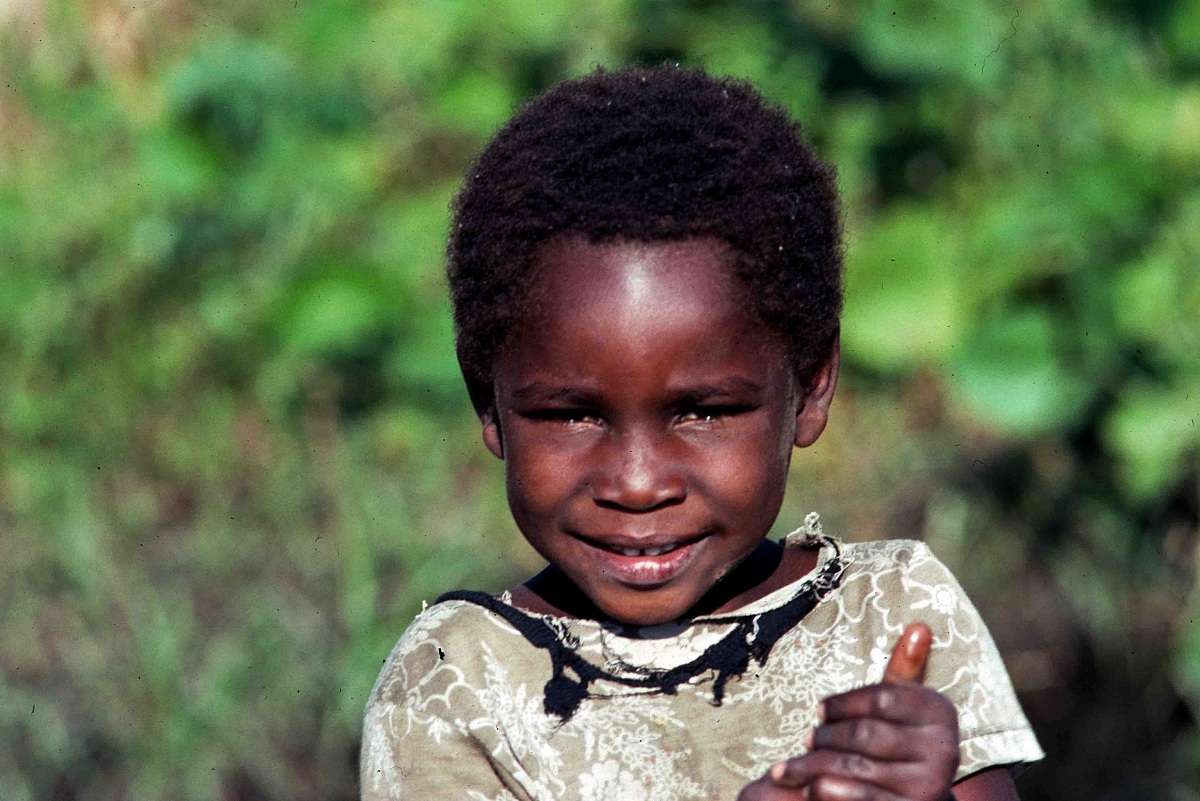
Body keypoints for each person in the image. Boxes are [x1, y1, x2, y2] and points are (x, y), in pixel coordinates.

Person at [360, 65, 1043, 801]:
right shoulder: (456, 681)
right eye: (571, 415)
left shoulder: (896, 616)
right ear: (487, 402)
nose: (639, 482)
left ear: (811, 387)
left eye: (706, 411)